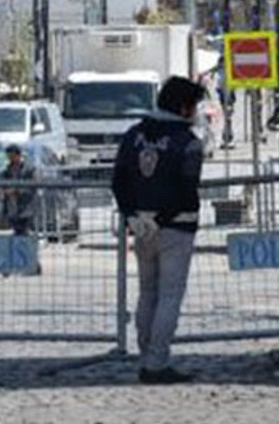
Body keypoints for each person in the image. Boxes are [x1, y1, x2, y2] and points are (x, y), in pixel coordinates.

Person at [111, 76, 206, 385]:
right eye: (194, 105)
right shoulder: (188, 142)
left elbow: (119, 181)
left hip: (140, 225)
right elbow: (186, 190)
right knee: (169, 296)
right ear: (183, 106)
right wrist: (163, 218)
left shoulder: (133, 134)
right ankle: (157, 361)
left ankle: (144, 355)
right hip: (176, 225)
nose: (196, 111)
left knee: (147, 292)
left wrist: (132, 216)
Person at [0, 144, 37, 236]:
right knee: (16, 230)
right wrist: (4, 192)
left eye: (12, 156)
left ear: (18, 155)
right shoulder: (7, 171)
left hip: (25, 206)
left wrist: (16, 190)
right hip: (12, 206)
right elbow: (3, 185)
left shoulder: (29, 169)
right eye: (9, 157)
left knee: (25, 230)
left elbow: (32, 186)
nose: (10, 159)